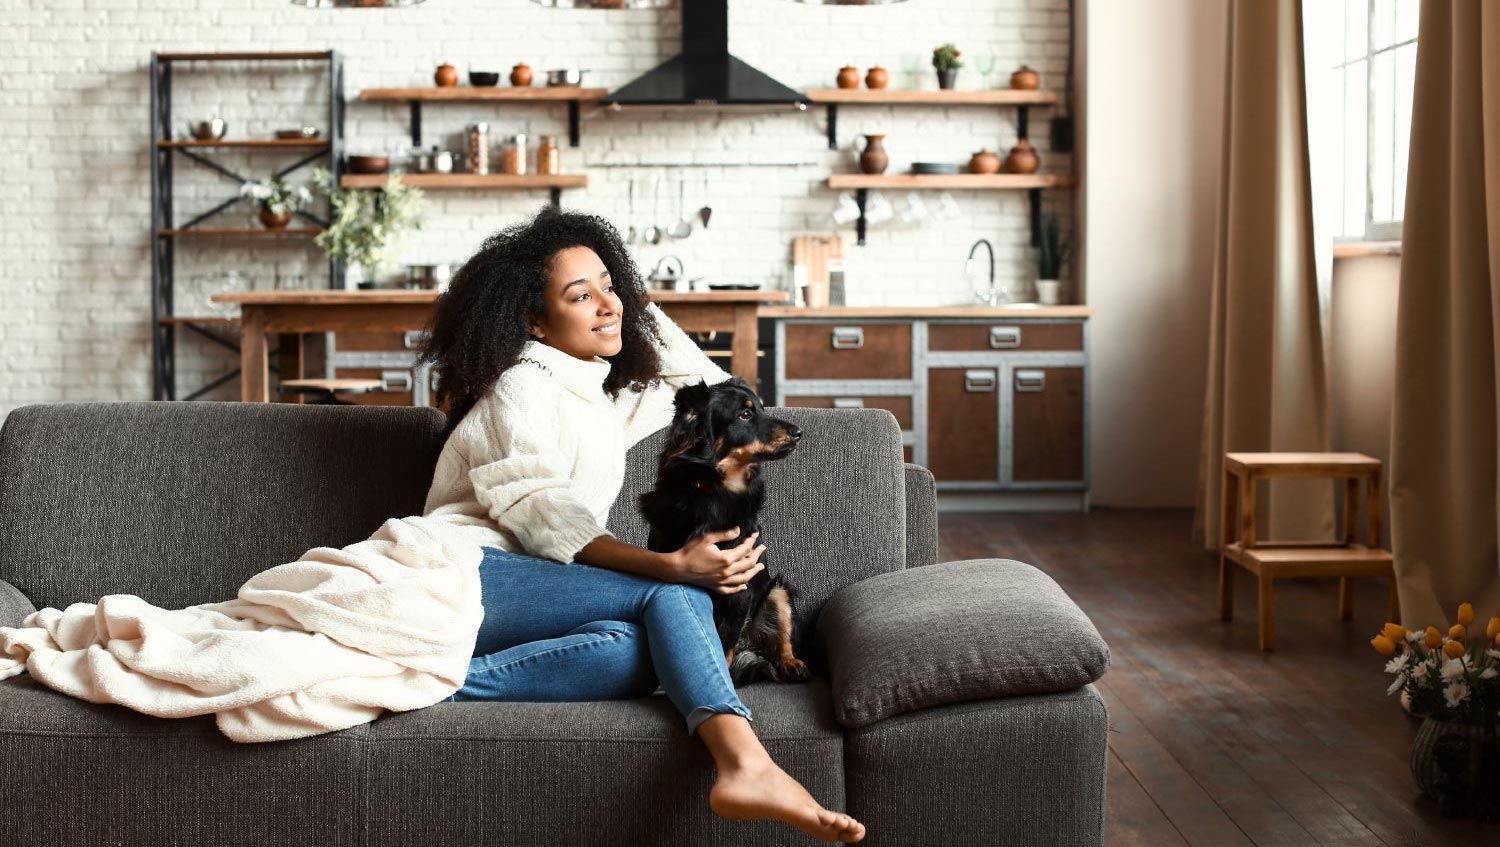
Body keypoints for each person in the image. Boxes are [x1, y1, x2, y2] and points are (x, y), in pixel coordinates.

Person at [414, 205, 865, 844]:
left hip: (537, 592)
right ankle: (745, 761)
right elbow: (544, 517)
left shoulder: (597, 393)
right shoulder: (522, 386)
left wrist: (631, 303)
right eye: (581, 295)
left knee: (644, 650)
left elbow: (706, 383)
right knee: (677, 595)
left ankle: (432, 680)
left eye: (609, 284)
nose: (608, 305)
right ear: (533, 322)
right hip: (462, 571)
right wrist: (672, 566)